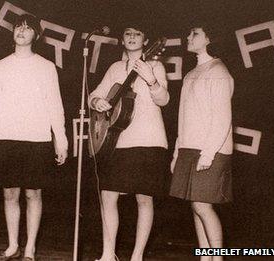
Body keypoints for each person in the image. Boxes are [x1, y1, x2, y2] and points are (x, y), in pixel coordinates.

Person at [0, 14, 68, 261]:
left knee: (33, 194)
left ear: (36, 36)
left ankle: (30, 248)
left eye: (28, 28)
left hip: (38, 139)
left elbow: (55, 105)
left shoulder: (47, 67)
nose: (22, 31)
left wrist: (60, 140)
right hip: (7, 137)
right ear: (13, 32)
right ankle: (12, 245)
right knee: (10, 194)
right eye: (18, 27)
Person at [89, 22, 170, 261]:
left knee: (144, 198)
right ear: (122, 40)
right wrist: (97, 103)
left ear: (147, 41)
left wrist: (151, 80)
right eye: (127, 33)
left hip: (148, 139)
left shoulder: (155, 65)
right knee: (108, 194)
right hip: (118, 140)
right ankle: (107, 254)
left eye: (138, 33)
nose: (132, 36)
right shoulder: (115, 67)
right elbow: (94, 94)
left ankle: (137, 256)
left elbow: (164, 100)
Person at [169, 25, 234, 261]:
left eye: (194, 34)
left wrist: (208, 154)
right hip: (189, 148)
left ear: (209, 39)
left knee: (202, 206)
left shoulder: (218, 71)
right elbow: (185, 117)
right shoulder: (191, 73)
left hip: (211, 149)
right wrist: (177, 152)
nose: (188, 37)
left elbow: (222, 118)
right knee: (195, 207)